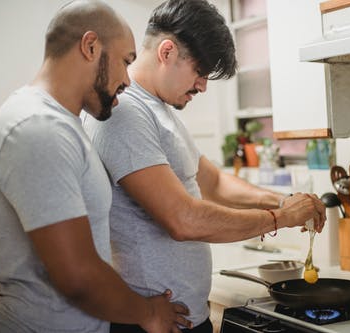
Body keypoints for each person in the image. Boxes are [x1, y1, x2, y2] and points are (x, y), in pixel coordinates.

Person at [83, 0, 327, 332]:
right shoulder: (126, 113)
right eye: (200, 72)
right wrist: (280, 218)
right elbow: (182, 220)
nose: (203, 86)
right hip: (150, 324)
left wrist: (283, 201)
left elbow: (214, 184)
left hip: (185, 317)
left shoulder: (161, 111)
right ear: (167, 52)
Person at [0, 1, 192, 332]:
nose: (127, 81)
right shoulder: (38, 127)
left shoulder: (62, 123)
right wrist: (148, 312)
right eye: (125, 62)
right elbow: (78, 276)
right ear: (91, 46)